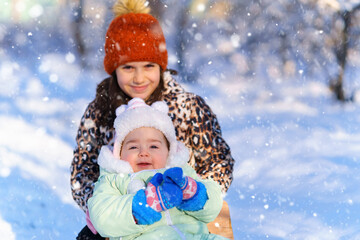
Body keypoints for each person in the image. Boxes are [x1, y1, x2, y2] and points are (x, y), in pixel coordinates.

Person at [70, 0, 235, 239]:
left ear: (161, 66)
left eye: (148, 66)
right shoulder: (100, 111)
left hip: (185, 208)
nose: (139, 78)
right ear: (114, 68)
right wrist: (106, 205)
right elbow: (82, 171)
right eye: (128, 68)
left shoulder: (187, 106)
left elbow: (218, 160)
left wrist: (194, 193)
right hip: (124, 207)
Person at [87, 98, 229, 240]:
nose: (144, 152)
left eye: (154, 146)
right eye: (133, 147)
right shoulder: (113, 180)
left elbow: (213, 207)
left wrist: (195, 195)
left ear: (169, 151)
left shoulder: (181, 172)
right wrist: (142, 206)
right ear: (119, 153)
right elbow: (102, 217)